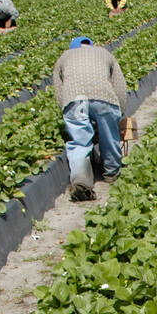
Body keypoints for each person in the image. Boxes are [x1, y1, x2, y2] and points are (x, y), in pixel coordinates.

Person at [53, 37, 130, 202]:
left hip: (74, 98)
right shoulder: (104, 53)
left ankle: (81, 180)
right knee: (110, 136)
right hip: (104, 96)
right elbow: (119, 85)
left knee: (79, 142)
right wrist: (120, 111)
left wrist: (66, 110)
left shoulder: (64, 57)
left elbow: (59, 90)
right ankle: (111, 172)